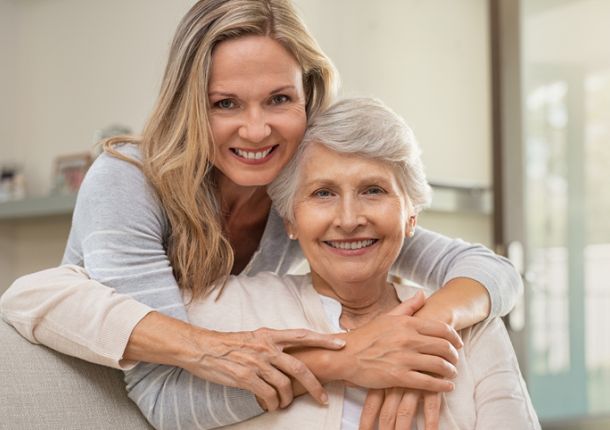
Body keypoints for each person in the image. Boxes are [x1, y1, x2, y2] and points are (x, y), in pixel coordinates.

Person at [0, 0, 523, 428]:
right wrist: (349, 357)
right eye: (225, 103)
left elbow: (491, 270)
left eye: (278, 99)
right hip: (92, 400)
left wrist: (417, 332)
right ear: (190, 105)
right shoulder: (129, 181)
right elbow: (163, 398)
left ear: (308, 96)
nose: (256, 131)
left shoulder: (299, 193)